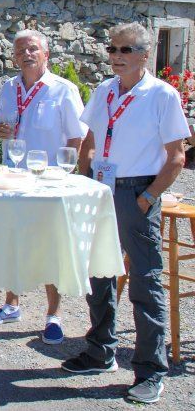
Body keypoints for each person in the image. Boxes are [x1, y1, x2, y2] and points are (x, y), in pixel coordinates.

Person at [61, 22, 188, 405]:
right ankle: (100, 352)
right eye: (112, 49)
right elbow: (90, 139)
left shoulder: (162, 95)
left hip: (136, 192)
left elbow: (177, 157)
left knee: (145, 284)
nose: (116, 56)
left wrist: (148, 197)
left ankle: (150, 372)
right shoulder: (104, 90)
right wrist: (84, 178)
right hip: (101, 189)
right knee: (99, 273)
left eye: (125, 50)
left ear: (145, 55)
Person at [0, 30, 85, 344]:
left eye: (32, 49)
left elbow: (77, 137)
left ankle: (53, 315)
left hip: (48, 184)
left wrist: (69, 173)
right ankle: (11, 304)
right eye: (20, 51)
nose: (26, 54)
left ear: (46, 54)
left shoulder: (63, 90)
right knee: (12, 242)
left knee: (48, 248)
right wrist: (0, 131)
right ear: (14, 57)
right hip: (13, 178)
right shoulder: (9, 87)